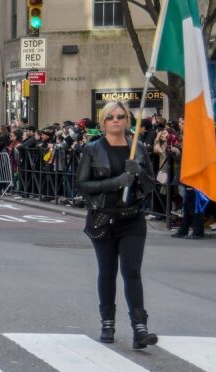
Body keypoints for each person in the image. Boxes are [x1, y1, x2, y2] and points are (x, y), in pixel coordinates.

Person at [76, 101, 158, 348]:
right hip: (103, 218)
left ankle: (139, 328)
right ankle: (107, 322)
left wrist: (139, 174)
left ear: (127, 121)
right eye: (110, 117)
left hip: (132, 218)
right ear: (103, 121)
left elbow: (151, 185)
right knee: (108, 271)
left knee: (132, 271)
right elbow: (82, 185)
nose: (116, 120)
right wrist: (117, 181)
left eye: (121, 116)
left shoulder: (139, 149)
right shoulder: (92, 149)